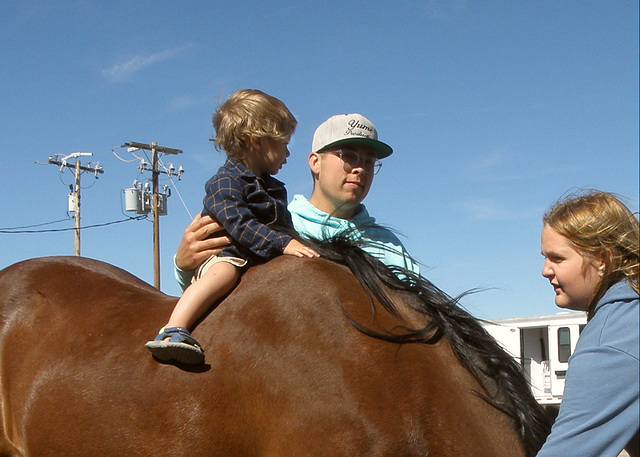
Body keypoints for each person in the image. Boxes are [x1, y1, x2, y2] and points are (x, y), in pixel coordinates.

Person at [146, 89, 319, 365]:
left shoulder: (273, 188)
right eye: (284, 143)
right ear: (256, 142)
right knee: (223, 274)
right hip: (227, 254)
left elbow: (286, 229)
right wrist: (282, 244)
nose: (288, 152)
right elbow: (240, 225)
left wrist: (298, 245)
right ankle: (174, 330)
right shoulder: (226, 182)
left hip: (255, 257)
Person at [173, 113, 420, 291]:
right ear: (315, 162)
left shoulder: (390, 246)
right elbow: (230, 295)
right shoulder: (273, 225)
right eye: (348, 156)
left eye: (369, 161)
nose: (360, 169)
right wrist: (183, 267)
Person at [537, 190, 639, 457]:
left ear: (602, 260)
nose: (545, 270)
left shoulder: (609, 343)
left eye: (557, 258)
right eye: (545, 258)